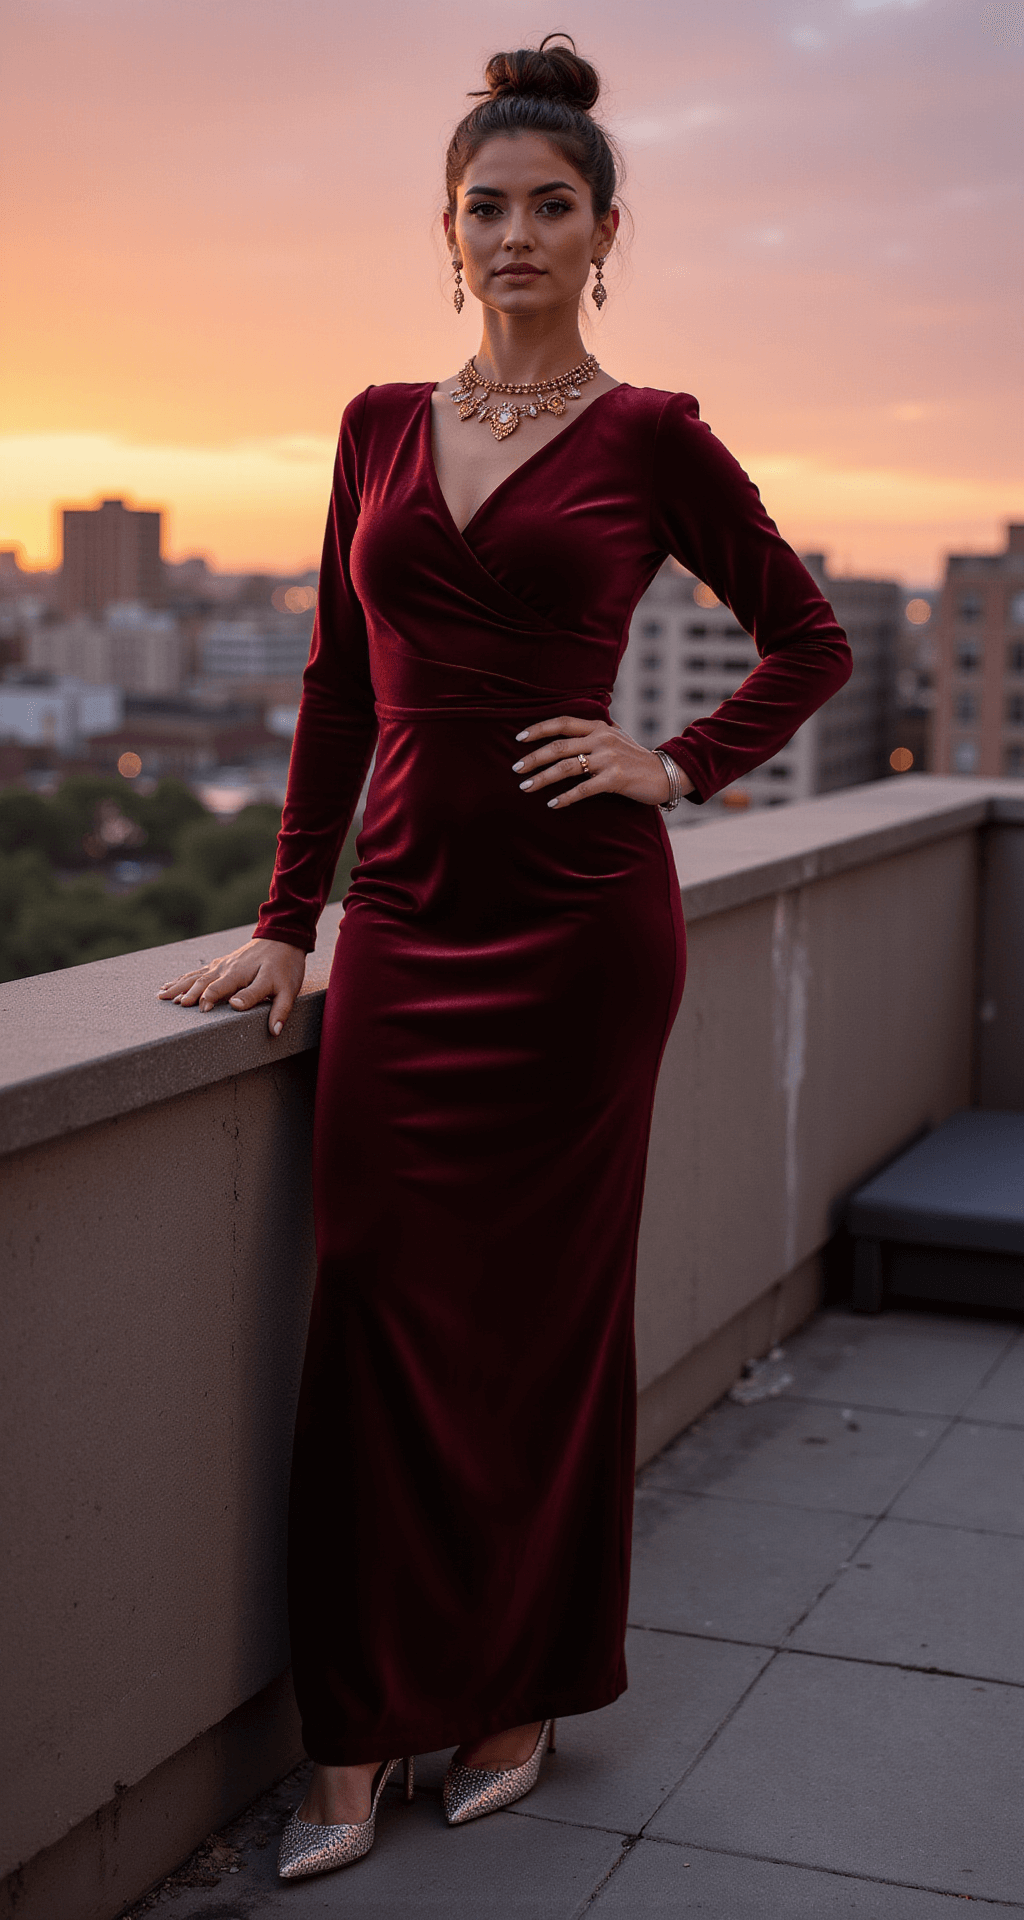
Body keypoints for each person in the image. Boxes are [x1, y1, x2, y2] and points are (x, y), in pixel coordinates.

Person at [159, 34, 852, 1882]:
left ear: (607, 231)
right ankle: (359, 1718)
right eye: (490, 205)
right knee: (377, 1320)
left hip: (577, 940)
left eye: (556, 205)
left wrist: (673, 763)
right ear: (445, 230)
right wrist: (284, 920)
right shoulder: (378, 422)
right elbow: (331, 689)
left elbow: (806, 639)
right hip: (401, 925)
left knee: (544, 1336)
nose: (519, 231)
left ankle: (523, 1691)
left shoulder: (654, 437)